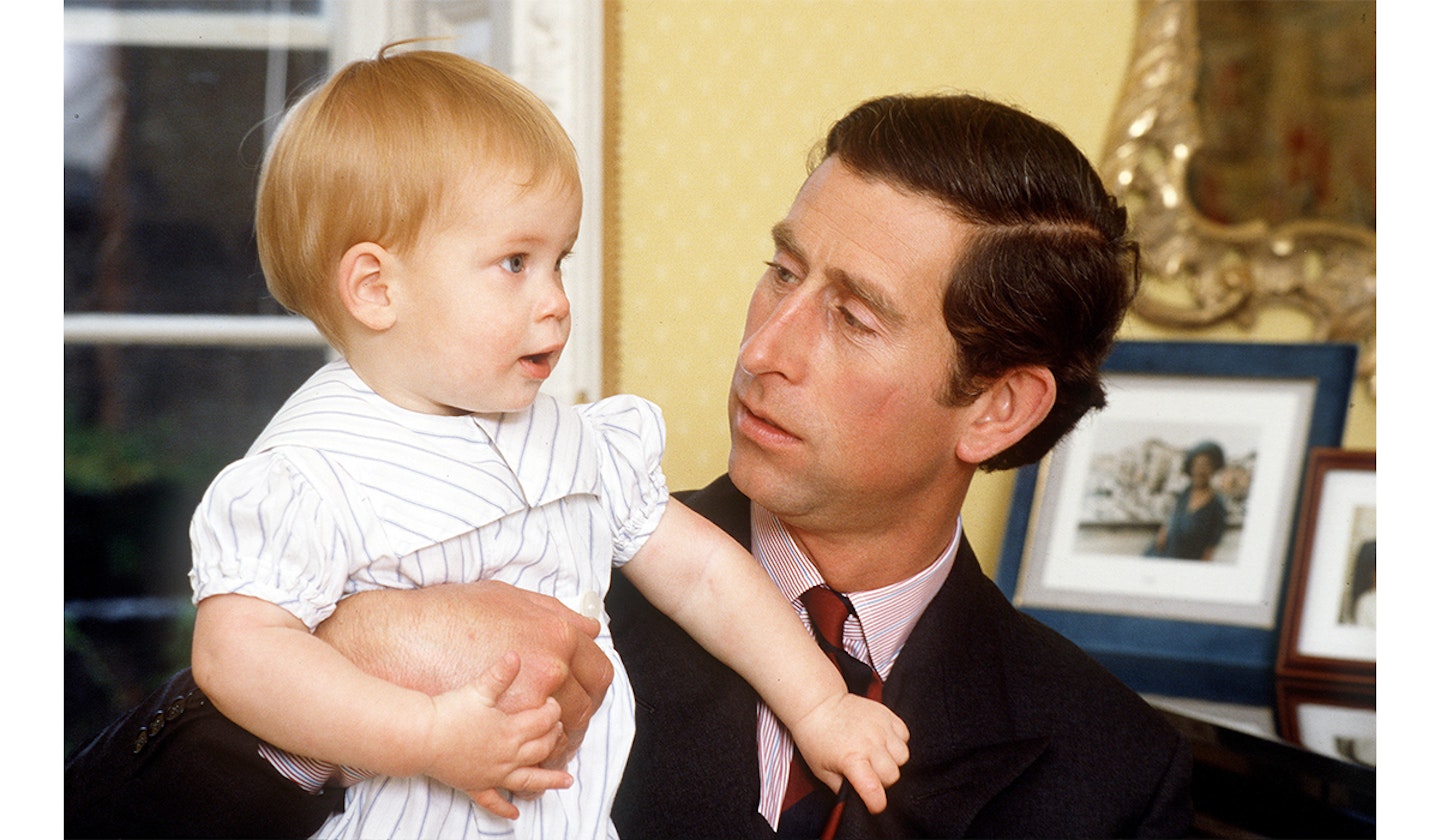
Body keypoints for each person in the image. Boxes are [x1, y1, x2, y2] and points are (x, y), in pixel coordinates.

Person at [67, 91, 1194, 838]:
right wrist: (348, 660)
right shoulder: (551, 553)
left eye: (852, 317)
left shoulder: (1115, 769)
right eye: (781, 272)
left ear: (997, 408)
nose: (762, 350)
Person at [1146, 441, 1228, 561]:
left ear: (1214, 468)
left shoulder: (1217, 504)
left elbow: (1211, 547)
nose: (1200, 470)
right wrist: (1163, 533)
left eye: (1206, 465)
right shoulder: (1185, 492)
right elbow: (1172, 517)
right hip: (1161, 554)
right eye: (1196, 465)